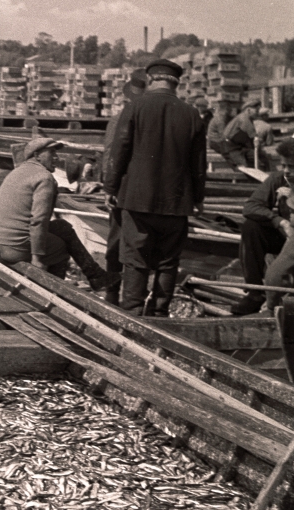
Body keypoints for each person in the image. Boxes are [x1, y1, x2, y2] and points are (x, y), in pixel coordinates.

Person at [103, 58, 207, 316]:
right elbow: (199, 164)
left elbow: (118, 152)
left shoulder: (134, 108)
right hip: (176, 202)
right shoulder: (192, 114)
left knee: (135, 261)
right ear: (177, 83)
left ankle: (133, 314)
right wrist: (198, 198)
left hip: (137, 200)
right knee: (168, 262)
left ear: (150, 79)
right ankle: (159, 315)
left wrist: (110, 189)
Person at [0, 137, 121, 291]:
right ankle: (51, 292)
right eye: (51, 153)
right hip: (15, 248)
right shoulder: (44, 178)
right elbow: (39, 221)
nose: (57, 158)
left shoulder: (16, 173)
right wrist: (37, 258)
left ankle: (96, 275)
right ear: (37, 155)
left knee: (62, 226)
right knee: (61, 247)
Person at [237, 137, 294, 314]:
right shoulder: (278, 178)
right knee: (251, 227)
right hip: (286, 236)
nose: (286, 171)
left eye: (292, 166)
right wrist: (281, 222)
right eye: (283, 165)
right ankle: (254, 293)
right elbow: (250, 206)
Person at [99, 68, 147, 305]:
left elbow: (110, 155)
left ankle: (120, 293)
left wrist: (109, 186)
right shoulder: (124, 118)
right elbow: (110, 155)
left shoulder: (124, 118)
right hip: (132, 191)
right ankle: (117, 292)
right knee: (123, 243)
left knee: (120, 242)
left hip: (127, 189)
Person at [220, 99, 262, 169]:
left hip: (239, 146)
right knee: (243, 167)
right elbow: (253, 136)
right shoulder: (243, 118)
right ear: (248, 110)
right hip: (230, 147)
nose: (258, 113)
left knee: (258, 161)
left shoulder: (247, 118)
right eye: (256, 111)